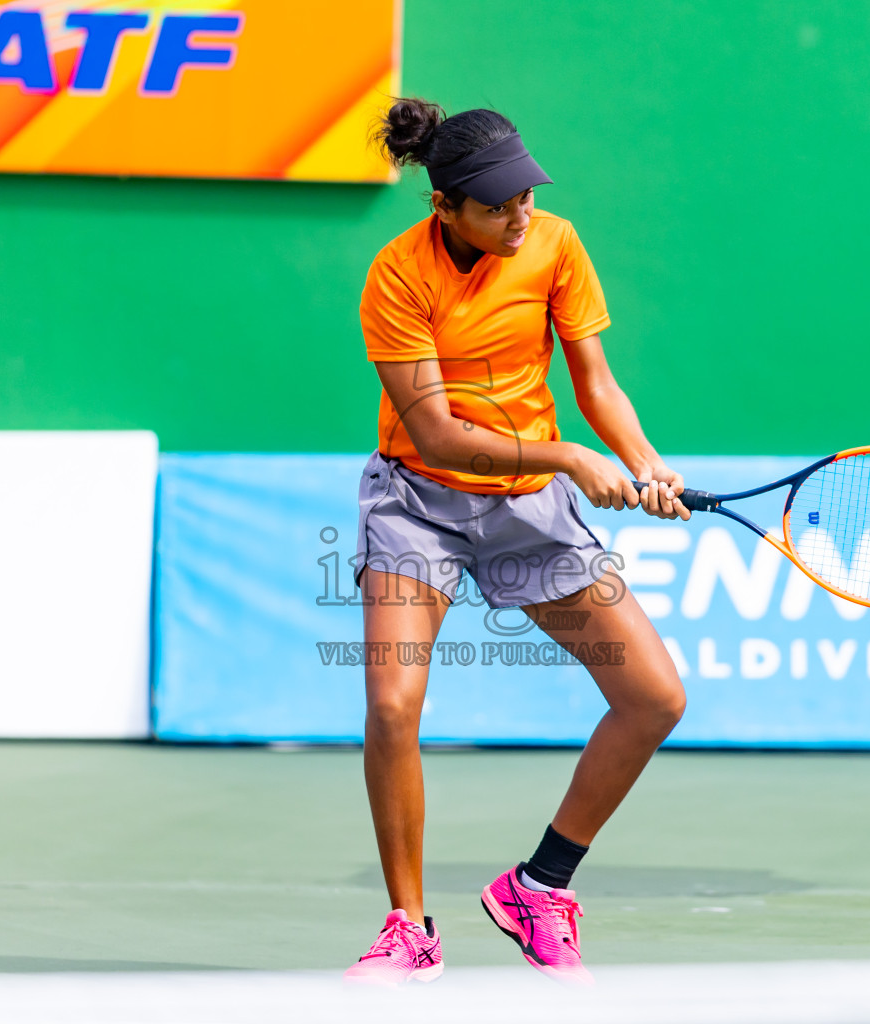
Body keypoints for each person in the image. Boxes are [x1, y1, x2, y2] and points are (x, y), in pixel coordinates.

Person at [343, 98, 690, 987]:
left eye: (525, 197)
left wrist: (643, 463)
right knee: (391, 707)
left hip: (526, 511)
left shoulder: (556, 245)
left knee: (653, 697)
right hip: (418, 504)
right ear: (444, 207)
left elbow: (596, 380)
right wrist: (571, 457)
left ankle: (541, 886)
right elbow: (440, 436)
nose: (519, 215)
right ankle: (408, 928)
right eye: (496, 205)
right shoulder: (396, 278)